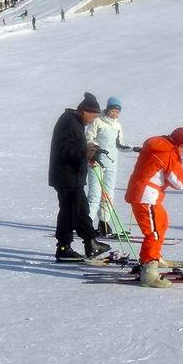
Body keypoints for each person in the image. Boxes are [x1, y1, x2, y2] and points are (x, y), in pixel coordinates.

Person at [124, 127, 183, 288]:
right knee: (154, 233)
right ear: (180, 145)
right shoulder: (168, 152)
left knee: (162, 222)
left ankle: (153, 257)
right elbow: (179, 182)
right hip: (146, 196)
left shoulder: (159, 144)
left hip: (144, 193)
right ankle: (149, 272)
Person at [48, 92, 110, 262]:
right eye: (93, 115)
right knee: (69, 212)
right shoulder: (68, 122)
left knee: (81, 210)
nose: (94, 119)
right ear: (84, 111)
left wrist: (88, 152)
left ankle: (91, 243)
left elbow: (74, 147)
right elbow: (64, 150)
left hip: (73, 176)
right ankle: (63, 248)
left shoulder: (75, 122)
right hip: (66, 177)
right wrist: (85, 152)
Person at [85, 97, 133, 237]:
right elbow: (89, 138)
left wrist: (134, 149)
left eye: (117, 111)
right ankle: (87, 224)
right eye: (113, 110)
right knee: (95, 194)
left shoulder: (117, 126)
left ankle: (104, 223)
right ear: (107, 109)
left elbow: (120, 144)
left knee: (108, 194)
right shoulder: (97, 121)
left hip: (111, 164)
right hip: (96, 163)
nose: (115, 114)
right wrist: (94, 151)